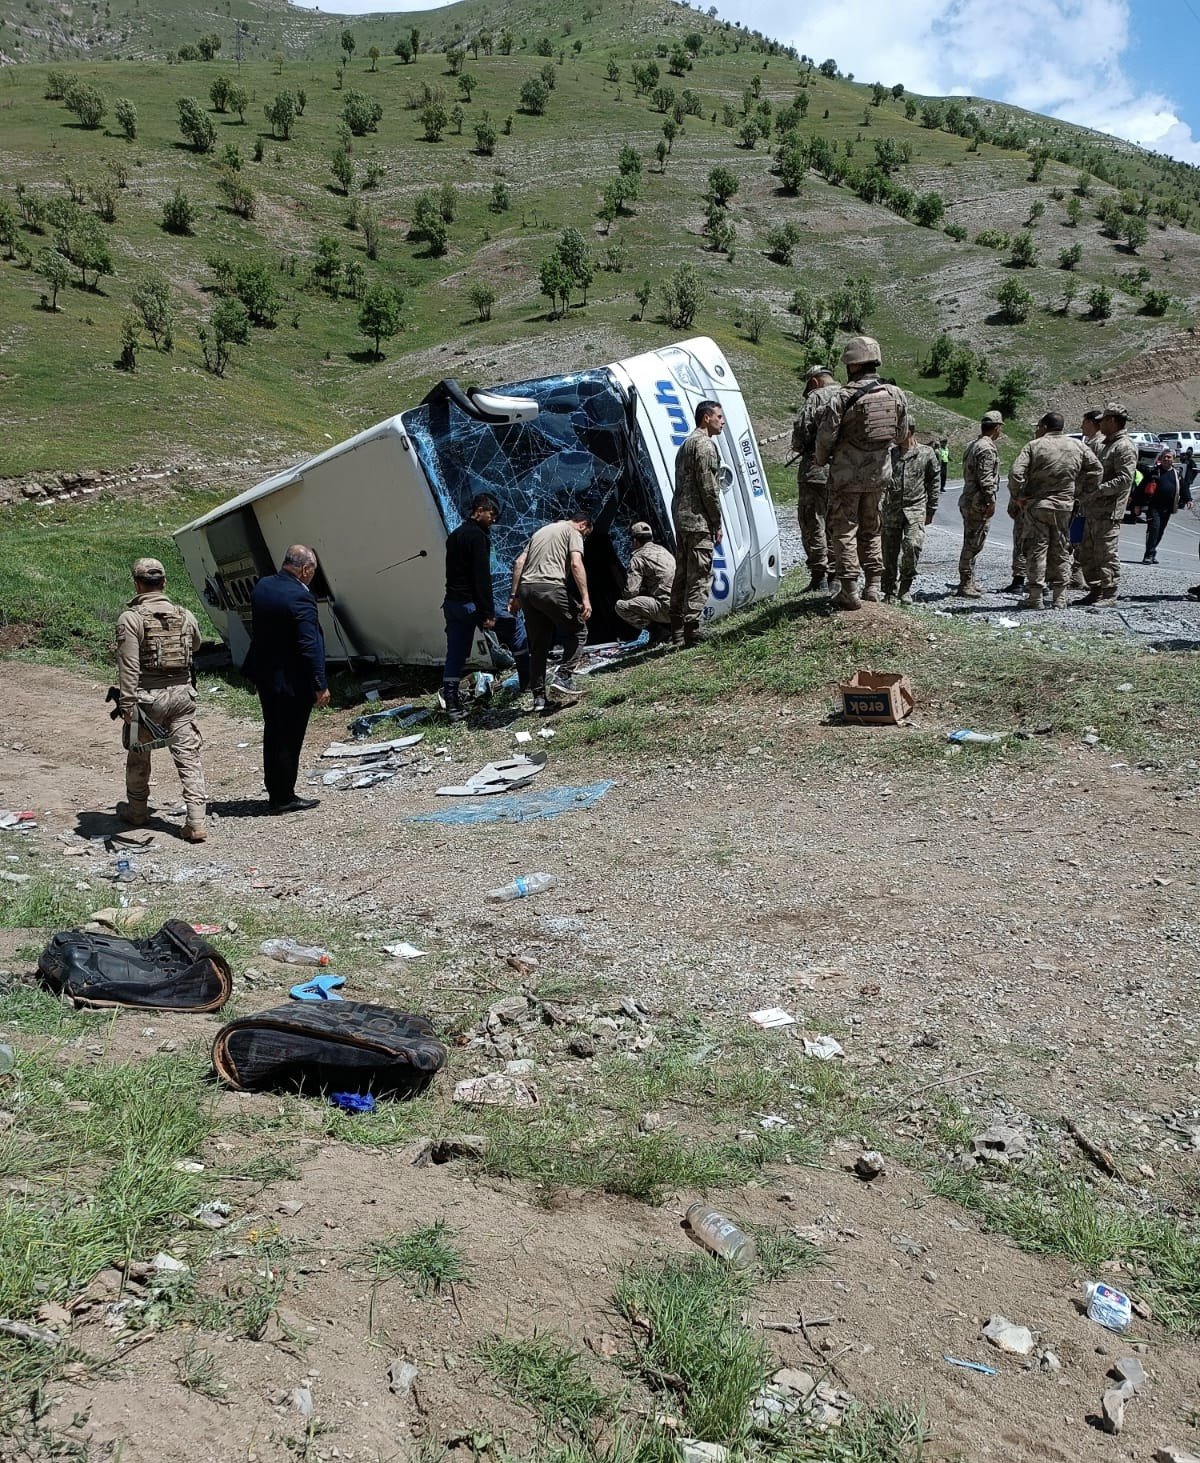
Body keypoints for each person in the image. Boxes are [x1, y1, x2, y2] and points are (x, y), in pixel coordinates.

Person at [114, 557, 207, 842]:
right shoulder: (185, 614)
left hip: (146, 698)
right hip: (182, 695)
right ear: (164, 582)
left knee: (138, 754)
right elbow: (197, 644)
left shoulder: (131, 619)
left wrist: (127, 703)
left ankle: (138, 811)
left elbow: (128, 664)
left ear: (137, 584)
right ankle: (196, 821)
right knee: (188, 758)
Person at [814, 335, 909, 610]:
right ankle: (874, 586)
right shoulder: (895, 394)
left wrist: (822, 460)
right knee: (872, 528)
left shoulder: (841, 398)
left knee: (844, 530)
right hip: (879, 476)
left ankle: (849, 589)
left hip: (846, 478)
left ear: (851, 365)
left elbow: (825, 440)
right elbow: (902, 434)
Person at [245, 545, 330, 814]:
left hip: (266, 675)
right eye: (312, 572)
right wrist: (320, 684)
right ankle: (284, 796)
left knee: (273, 733)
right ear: (305, 569)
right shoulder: (300, 598)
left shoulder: (264, 586)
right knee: (289, 738)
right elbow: (309, 646)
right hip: (292, 681)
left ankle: (276, 790)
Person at [1006, 412, 1101, 609]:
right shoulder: (1077, 446)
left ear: (1044, 426)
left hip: (1038, 506)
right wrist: (1080, 493)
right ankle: (1059, 597)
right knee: (1061, 549)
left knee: (1036, 549)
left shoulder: (1034, 445)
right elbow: (1097, 470)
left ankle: (1035, 596)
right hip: (1064, 506)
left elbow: (1016, 473)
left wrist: (1018, 497)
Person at [508, 511, 593, 711]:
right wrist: (585, 598)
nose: (584, 538)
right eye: (587, 534)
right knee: (578, 631)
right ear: (582, 524)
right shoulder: (573, 532)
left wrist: (514, 596)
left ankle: (539, 699)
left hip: (527, 591)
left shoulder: (541, 531)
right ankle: (563, 677)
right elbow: (575, 563)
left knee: (539, 645)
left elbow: (519, 563)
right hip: (550, 587)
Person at [670, 400, 725, 645]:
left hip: (682, 518)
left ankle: (677, 629)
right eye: (719, 417)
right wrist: (717, 521)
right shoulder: (704, 445)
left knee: (682, 573)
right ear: (706, 417)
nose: (722, 421)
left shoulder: (685, 444)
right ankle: (693, 628)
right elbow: (709, 487)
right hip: (697, 519)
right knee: (699, 573)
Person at [441, 492, 500, 722]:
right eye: (491, 514)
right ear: (479, 510)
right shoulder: (478, 537)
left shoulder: (454, 536)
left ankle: (451, 702)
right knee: (514, 629)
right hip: (470, 605)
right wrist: (488, 613)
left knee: (455, 654)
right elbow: (481, 577)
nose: (493, 519)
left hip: (451, 603)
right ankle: (529, 684)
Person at [1077, 402, 1137, 605]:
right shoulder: (1105, 445)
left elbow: (1125, 479)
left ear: (1111, 421)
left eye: (1102, 420)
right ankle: (1095, 589)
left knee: (1106, 552)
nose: (1099, 424)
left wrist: (1098, 491)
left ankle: (1109, 591)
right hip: (1093, 509)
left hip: (1108, 510)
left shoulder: (1124, 447)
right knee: (1087, 551)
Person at [790, 365, 840, 590]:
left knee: (813, 522)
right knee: (837, 523)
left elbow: (801, 431)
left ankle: (819, 577)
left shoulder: (817, 397)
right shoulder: (848, 394)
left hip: (815, 471)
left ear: (814, 382)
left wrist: (801, 445)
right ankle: (837, 575)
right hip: (843, 471)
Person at [881, 424, 938, 604]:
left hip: (915, 508)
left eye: (900, 431)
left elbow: (934, 482)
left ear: (910, 431)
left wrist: (931, 509)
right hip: (891, 509)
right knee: (889, 552)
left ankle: (905, 587)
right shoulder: (890, 453)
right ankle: (889, 590)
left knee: (913, 546)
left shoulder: (927, 453)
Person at [956, 410, 1003, 597]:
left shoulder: (973, 445)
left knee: (974, 541)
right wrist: (991, 501)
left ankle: (969, 581)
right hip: (977, 501)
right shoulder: (986, 448)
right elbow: (986, 479)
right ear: (996, 428)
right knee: (972, 543)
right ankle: (965, 582)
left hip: (969, 498)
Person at [615, 521, 675, 640]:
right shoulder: (663, 550)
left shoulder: (638, 558)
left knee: (621, 606)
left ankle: (659, 632)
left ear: (635, 541)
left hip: (667, 609)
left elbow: (631, 592)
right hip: (683, 604)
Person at [1143, 450, 1181, 565]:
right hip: (1154, 507)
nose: (1166, 459)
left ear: (1173, 459)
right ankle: (1148, 555)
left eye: (1169, 457)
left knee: (1160, 531)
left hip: (1167, 508)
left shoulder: (1176, 474)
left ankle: (1152, 552)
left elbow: (1183, 488)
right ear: (1161, 458)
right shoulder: (1154, 472)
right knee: (1154, 529)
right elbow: (1141, 488)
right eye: (1164, 457)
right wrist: (1137, 505)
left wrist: (1188, 499)